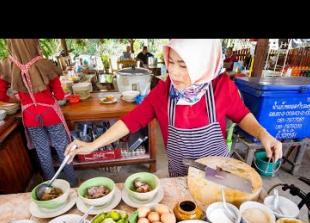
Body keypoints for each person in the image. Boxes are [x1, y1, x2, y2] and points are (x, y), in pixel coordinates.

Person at [65, 39, 282, 177]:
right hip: (180, 173)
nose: (174, 73)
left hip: (217, 172)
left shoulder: (220, 87)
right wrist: (93, 145)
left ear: (203, 65)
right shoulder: (163, 91)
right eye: (171, 61)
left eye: (184, 65)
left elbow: (242, 115)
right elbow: (131, 121)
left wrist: (263, 134)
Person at [0, 39, 77, 186]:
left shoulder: (6, 65)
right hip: (51, 114)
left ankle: (50, 186)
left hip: (30, 117)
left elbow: (1, 95)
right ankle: (72, 183)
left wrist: (19, 99)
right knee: (63, 149)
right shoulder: (44, 63)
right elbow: (60, 95)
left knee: (43, 152)